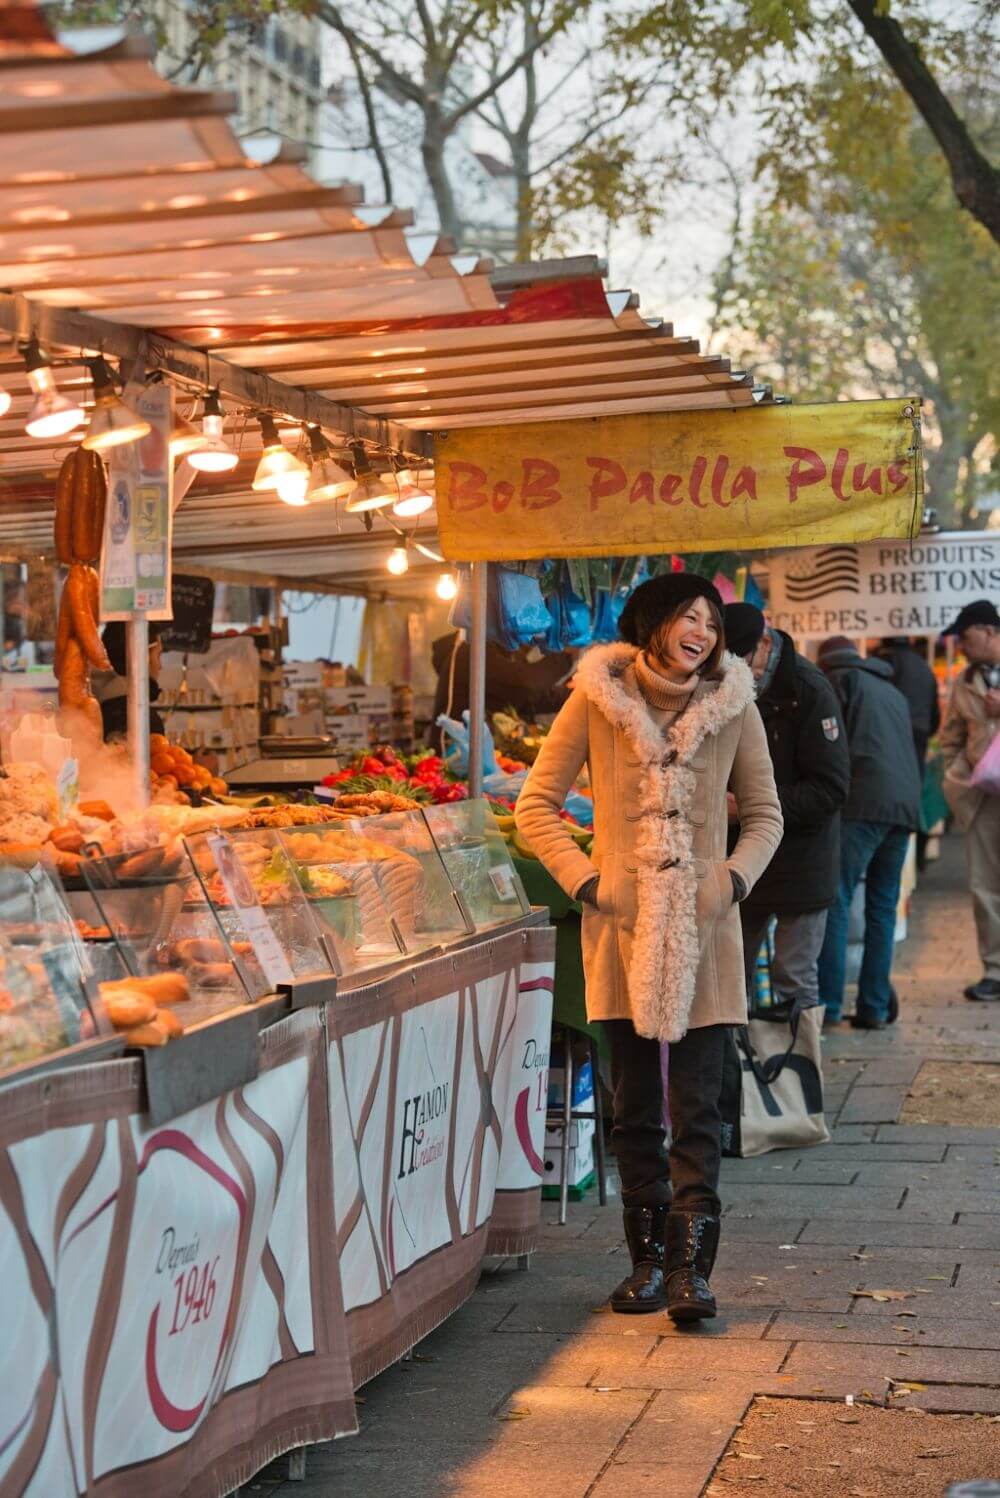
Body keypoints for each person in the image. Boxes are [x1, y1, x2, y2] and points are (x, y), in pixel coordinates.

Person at [516, 576, 782, 1321]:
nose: (702, 631)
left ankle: (692, 1274)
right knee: (633, 1110)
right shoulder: (597, 699)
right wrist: (589, 883)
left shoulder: (734, 705)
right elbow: (535, 804)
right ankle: (647, 1263)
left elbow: (765, 815)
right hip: (621, 930)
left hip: (706, 934)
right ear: (654, 624)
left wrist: (727, 882)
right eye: (687, 618)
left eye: (711, 622)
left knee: (697, 1108)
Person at [724, 605, 850, 1020]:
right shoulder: (725, 687)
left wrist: (750, 807)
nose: (735, 671)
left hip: (803, 862)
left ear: (764, 643)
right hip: (746, 863)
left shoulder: (810, 690)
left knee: (793, 978)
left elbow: (830, 788)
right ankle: (738, 1079)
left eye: (741, 661)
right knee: (729, 974)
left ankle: (797, 1077)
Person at [815, 637, 922, 1029]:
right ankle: (874, 1007)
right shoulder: (890, 689)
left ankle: (826, 1004)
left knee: (835, 898)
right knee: (882, 907)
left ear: (824, 664)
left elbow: (830, 749)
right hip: (904, 806)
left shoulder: (838, 682)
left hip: (863, 804)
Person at [938, 600, 1000, 1002]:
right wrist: (958, 778)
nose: (960, 645)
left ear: (990, 631)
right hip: (984, 798)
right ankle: (995, 970)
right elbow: (952, 738)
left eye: (966, 636)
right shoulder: (963, 682)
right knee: (985, 887)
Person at [429, 632, 573, 751]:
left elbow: (527, 699)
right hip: (454, 756)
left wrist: (573, 691)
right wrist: (567, 654)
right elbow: (524, 685)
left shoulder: (508, 654)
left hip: (483, 755)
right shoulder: (475, 648)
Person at [874, 636, 941, 771]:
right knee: (914, 779)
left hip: (894, 733)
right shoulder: (924, 665)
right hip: (920, 731)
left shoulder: (886, 663)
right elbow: (934, 710)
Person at [94, 621, 166, 741]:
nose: (160, 666)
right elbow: (157, 759)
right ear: (143, 658)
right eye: (158, 656)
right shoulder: (142, 718)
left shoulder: (95, 703)